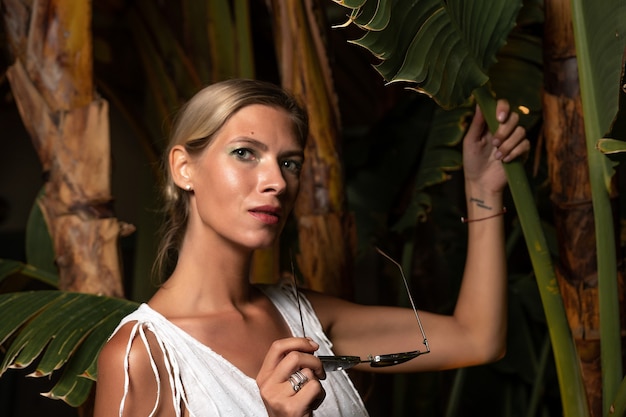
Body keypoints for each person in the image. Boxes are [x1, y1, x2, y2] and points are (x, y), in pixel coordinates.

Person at [93, 78, 529, 417]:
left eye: (289, 163)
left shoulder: (306, 319)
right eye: (246, 153)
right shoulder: (142, 357)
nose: (277, 183)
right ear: (184, 168)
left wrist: (483, 191)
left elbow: (478, 338)